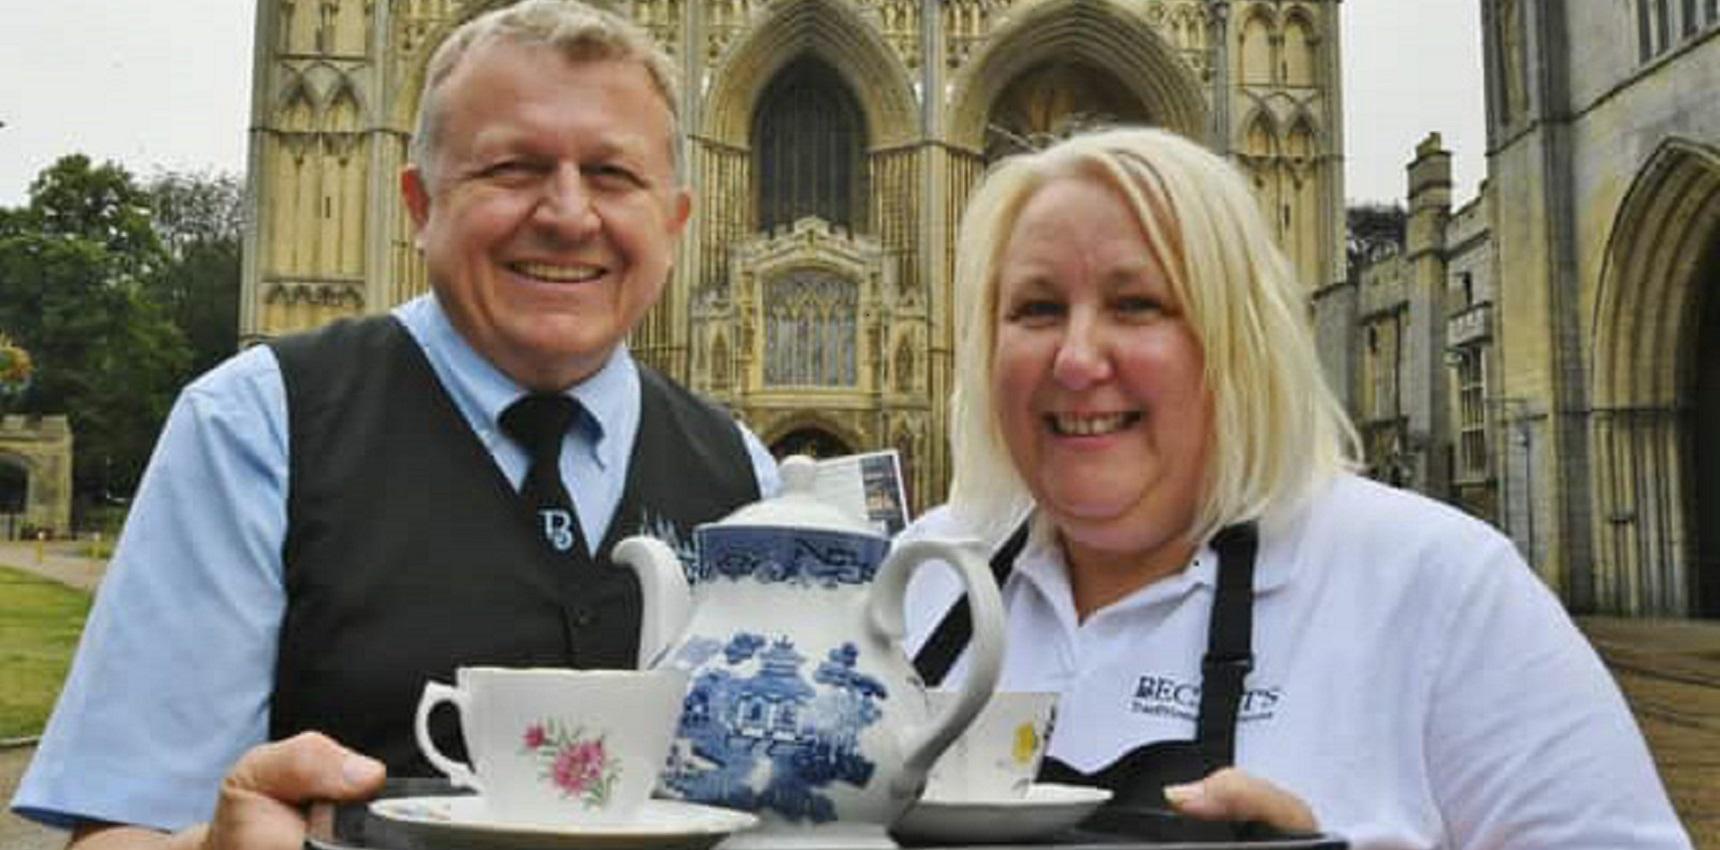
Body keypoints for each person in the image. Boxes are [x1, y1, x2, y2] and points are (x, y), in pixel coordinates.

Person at [11, 2, 779, 847]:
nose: (567, 213)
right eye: (514, 169)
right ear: (419, 203)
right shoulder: (259, 426)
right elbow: (123, 829)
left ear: (674, 221)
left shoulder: (745, 477)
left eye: (612, 175)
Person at [900, 127, 1691, 848]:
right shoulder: (919, 575)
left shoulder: (1435, 585)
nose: (1075, 360)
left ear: (1237, 339)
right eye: (1035, 309)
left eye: (1136, 305)